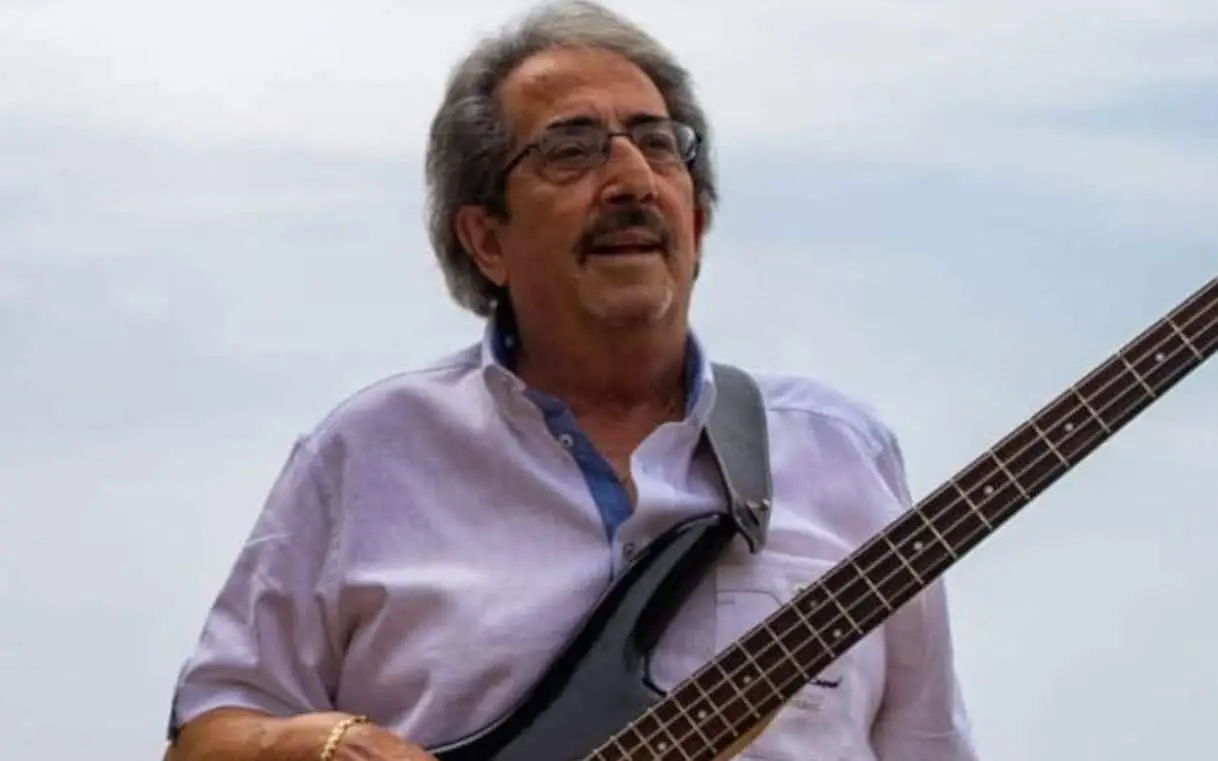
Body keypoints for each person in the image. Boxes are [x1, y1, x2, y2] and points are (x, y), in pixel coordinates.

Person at [165, 1, 980, 759]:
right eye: (571, 149)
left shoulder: (844, 452)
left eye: (658, 144)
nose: (632, 181)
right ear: (486, 240)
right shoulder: (365, 455)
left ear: (697, 222)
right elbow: (205, 735)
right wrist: (327, 742)